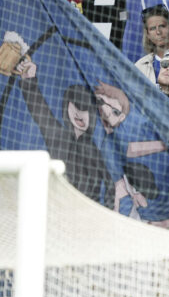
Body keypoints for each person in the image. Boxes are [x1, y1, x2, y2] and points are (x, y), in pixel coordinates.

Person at [15, 59, 108, 202]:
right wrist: (29, 80)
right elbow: (41, 113)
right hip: (57, 205)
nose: (78, 114)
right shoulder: (58, 135)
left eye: (84, 110)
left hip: (86, 212)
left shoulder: (94, 148)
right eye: (75, 107)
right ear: (67, 107)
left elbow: (109, 183)